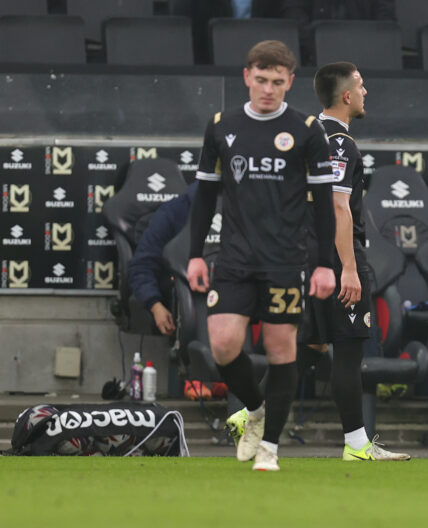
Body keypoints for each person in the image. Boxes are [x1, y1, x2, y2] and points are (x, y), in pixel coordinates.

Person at [187, 40, 337, 472]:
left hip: (283, 261)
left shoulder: (308, 130)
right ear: (246, 77)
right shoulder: (221, 126)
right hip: (233, 259)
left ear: (289, 82)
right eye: (260, 79)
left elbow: (324, 204)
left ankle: (270, 447)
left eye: (277, 81)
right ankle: (256, 411)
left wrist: (324, 263)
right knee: (223, 345)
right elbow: (205, 196)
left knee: (279, 348)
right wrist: (196, 255)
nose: (268, 89)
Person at [299, 61, 409, 461]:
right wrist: (348, 267)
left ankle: (250, 410)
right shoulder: (339, 142)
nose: (366, 92)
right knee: (347, 348)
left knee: (310, 343)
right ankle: (357, 445)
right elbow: (339, 207)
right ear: (346, 96)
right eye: (361, 86)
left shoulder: (305, 135)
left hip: (307, 257)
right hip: (336, 257)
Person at [128, 181, 197, 336]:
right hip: (188, 299)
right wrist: (155, 305)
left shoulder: (243, 210)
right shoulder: (173, 212)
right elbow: (142, 266)